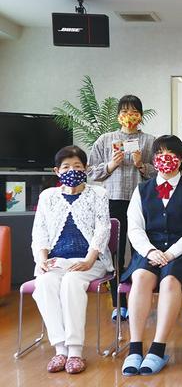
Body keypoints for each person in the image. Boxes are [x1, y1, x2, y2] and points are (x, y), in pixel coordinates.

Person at [120, 135, 182, 376]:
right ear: (153, 159)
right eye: (159, 154)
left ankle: (157, 349)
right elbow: (135, 228)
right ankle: (135, 348)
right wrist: (151, 251)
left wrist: (170, 253)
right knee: (141, 277)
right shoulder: (142, 190)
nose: (165, 158)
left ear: (180, 159)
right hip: (149, 250)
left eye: (171, 154)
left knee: (170, 281)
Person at [31, 145, 113, 374]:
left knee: (71, 282)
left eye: (77, 166)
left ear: (85, 168)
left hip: (90, 261)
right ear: (57, 171)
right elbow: (39, 231)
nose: (72, 171)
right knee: (44, 283)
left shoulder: (98, 194)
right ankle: (60, 349)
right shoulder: (48, 196)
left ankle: (75, 351)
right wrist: (41, 259)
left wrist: (89, 260)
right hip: (57, 260)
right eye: (66, 167)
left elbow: (103, 229)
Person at [88, 95, 156, 321]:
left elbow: (160, 172)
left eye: (134, 112)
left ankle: (138, 299)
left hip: (141, 201)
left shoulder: (150, 141)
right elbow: (91, 171)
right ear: (118, 116)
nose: (129, 116)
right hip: (113, 200)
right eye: (125, 112)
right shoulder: (105, 139)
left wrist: (141, 165)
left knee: (139, 250)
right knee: (115, 252)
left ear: (141, 116)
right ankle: (119, 303)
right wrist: (111, 165)